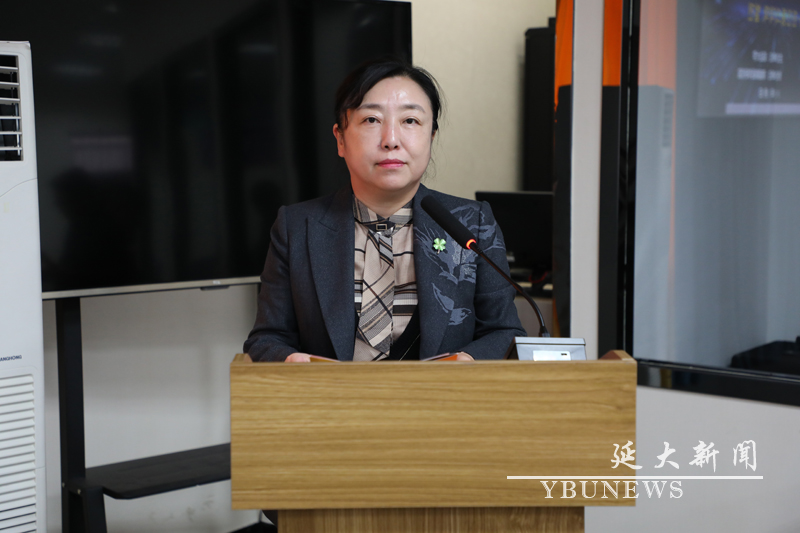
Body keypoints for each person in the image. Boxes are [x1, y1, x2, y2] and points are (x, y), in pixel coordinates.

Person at [243, 58, 525, 362]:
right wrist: (289, 360)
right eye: (371, 120)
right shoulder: (297, 227)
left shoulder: (471, 223)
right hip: (331, 393)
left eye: (410, 121)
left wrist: (467, 361)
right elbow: (267, 338)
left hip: (444, 392)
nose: (391, 140)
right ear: (340, 138)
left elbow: (504, 331)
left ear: (431, 136)